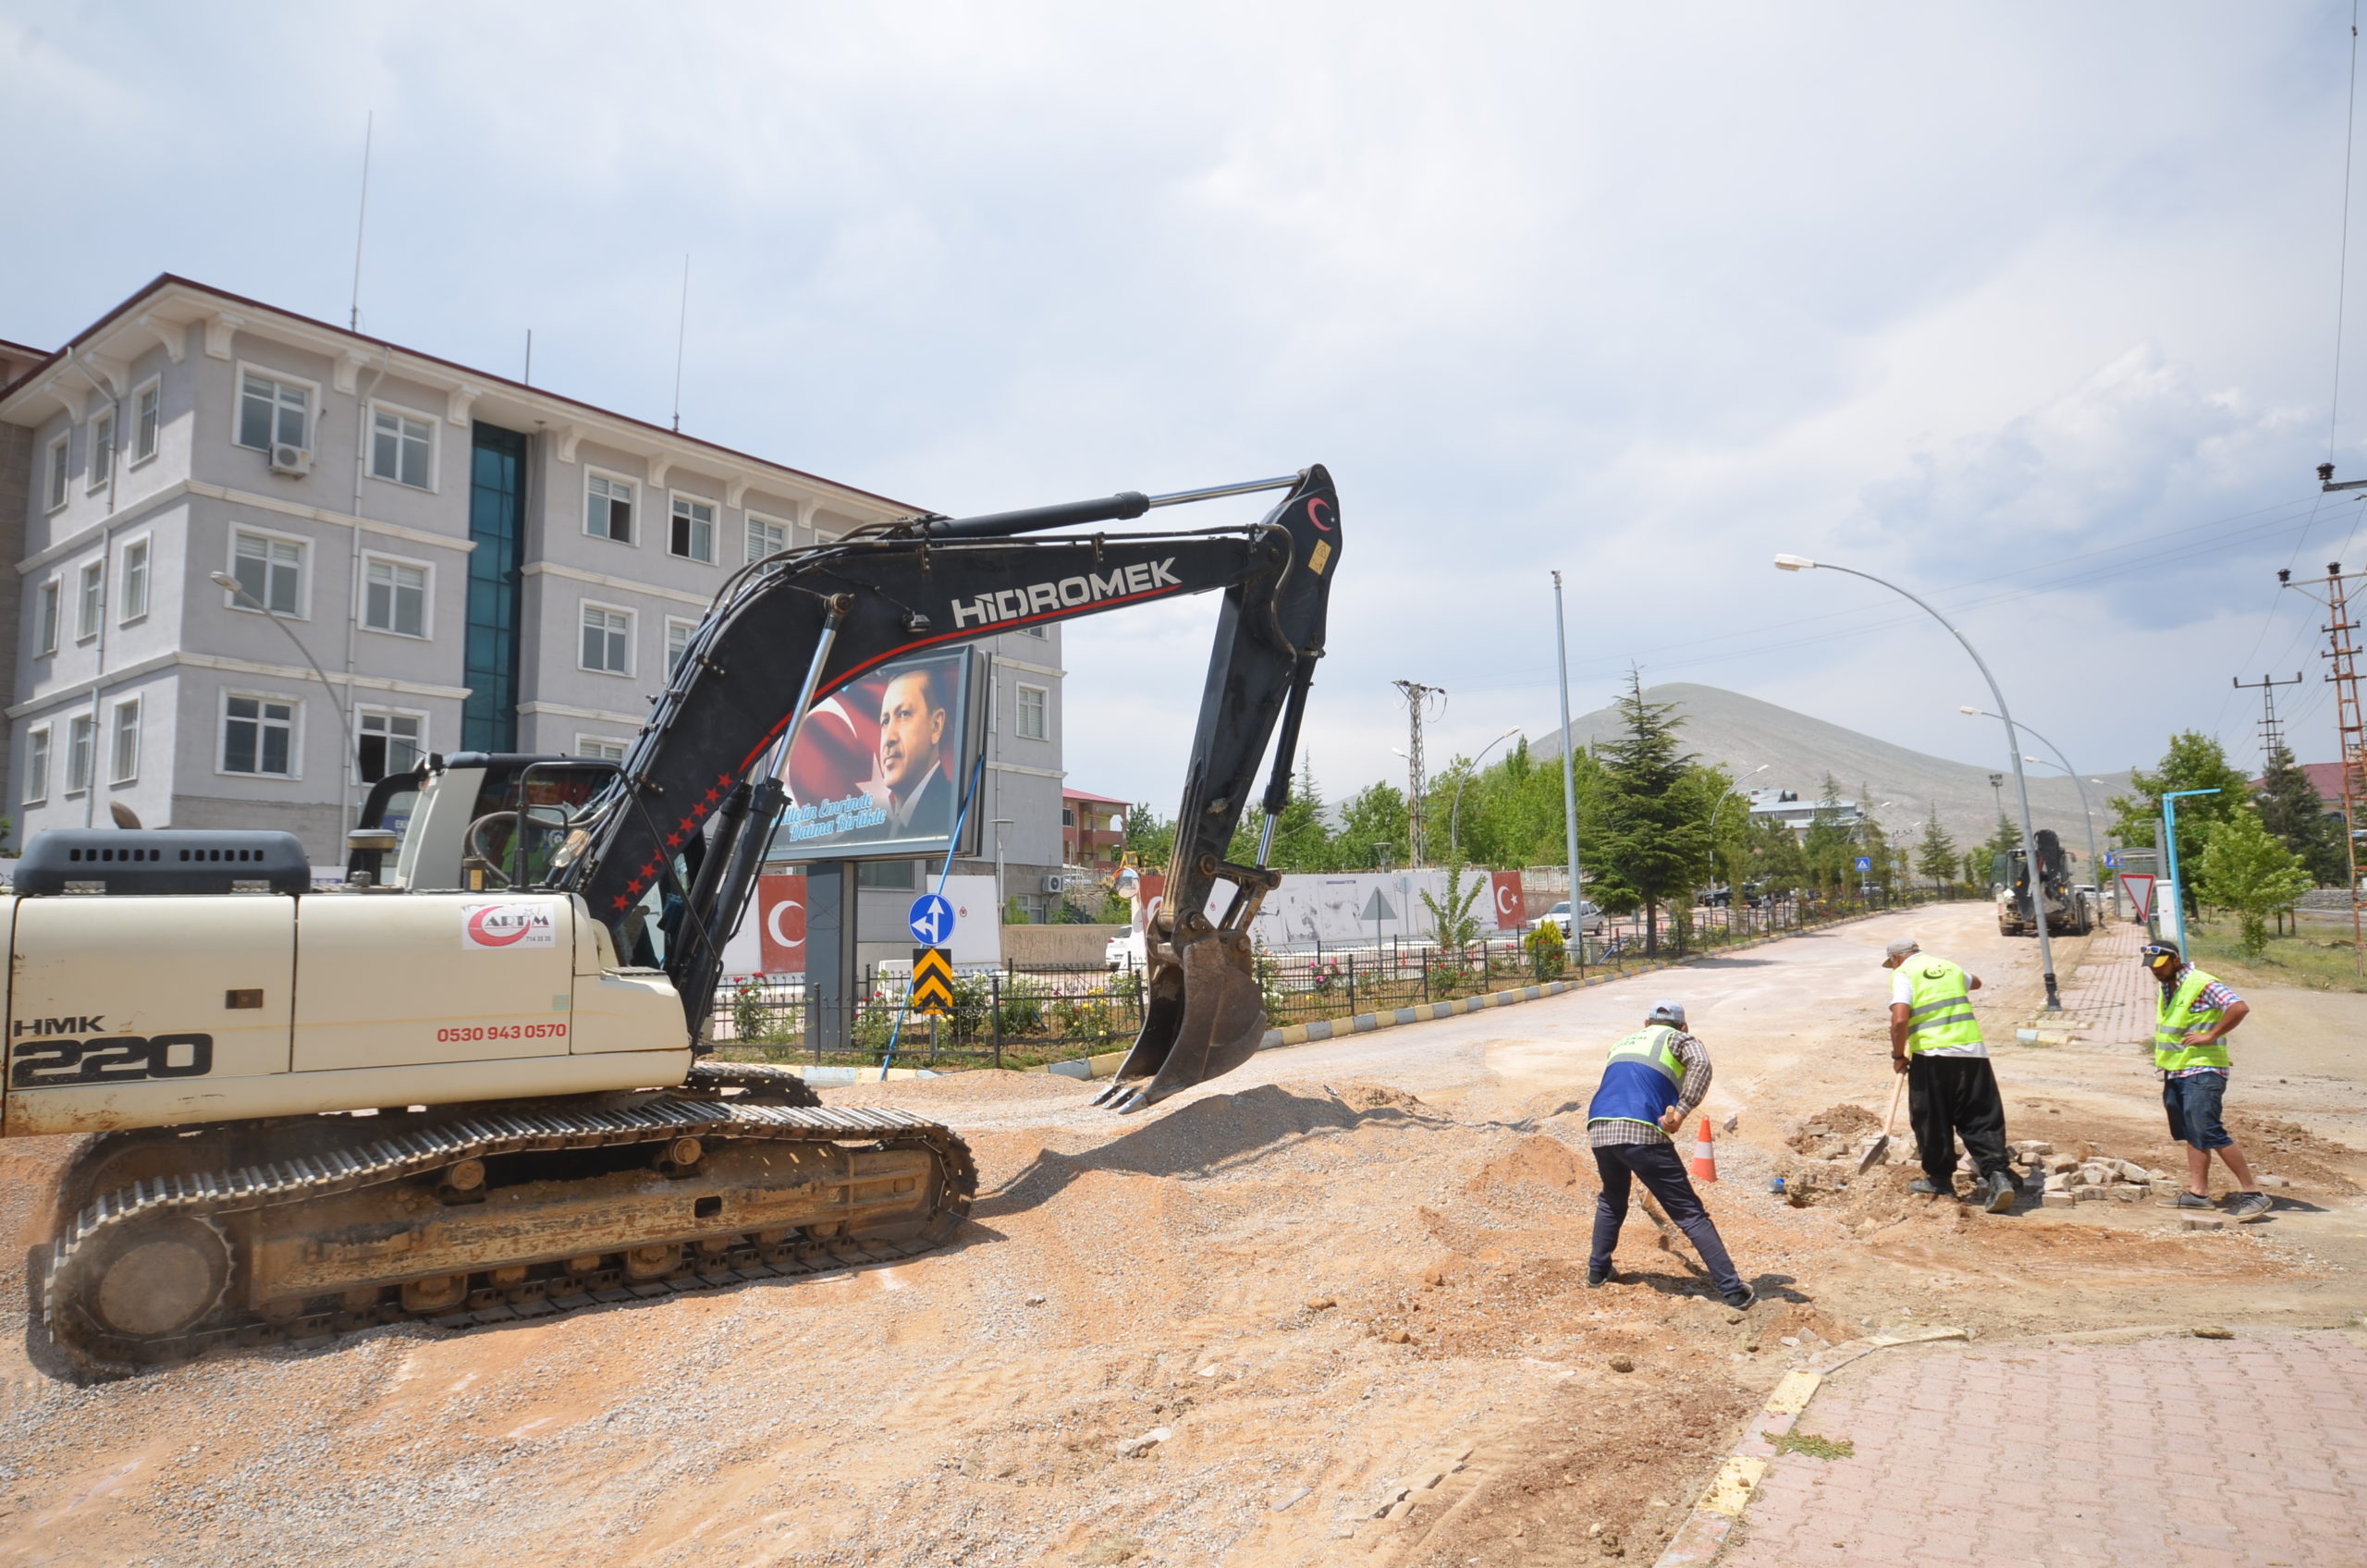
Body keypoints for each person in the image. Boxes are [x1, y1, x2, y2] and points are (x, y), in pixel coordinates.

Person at [1585, 1000, 1754, 1310]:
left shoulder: (1622, 1042)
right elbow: (1701, 1065)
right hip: (1641, 1128)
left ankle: (1597, 1271)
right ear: (1683, 1026)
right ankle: (1733, 1290)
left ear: (1646, 1024)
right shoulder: (1678, 1038)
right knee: (1688, 1212)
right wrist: (1683, 1111)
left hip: (1599, 1126)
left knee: (1612, 1199)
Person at [1884, 936, 2017, 1213]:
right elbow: (1976, 982)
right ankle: (1997, 1176)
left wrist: (1898, 1056)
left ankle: (1940, 1180)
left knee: (1931, 1118)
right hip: (1973, 1054)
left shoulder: (1904, 973)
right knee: (1981, 1116)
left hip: (1932, 1057)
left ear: (1896, 959)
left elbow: (1899, 1019)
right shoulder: (1950, 968)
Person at [2142, 940, 2272, 1221]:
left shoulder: (2201, 982)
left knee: (2209, 1130)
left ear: (2176, 960)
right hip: (2176, 1070)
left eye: (2161, 966)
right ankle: (2198, 1194)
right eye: (2152, 968)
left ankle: (2254, 1194)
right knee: (2192, 1132)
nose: (2156, 972)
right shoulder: (2167, 986)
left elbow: (2238, 1007)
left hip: (2202, 1070)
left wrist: (2211, 1035)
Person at [870, 665, 954, 838]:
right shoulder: (880, 830)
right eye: (885, 721)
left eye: (903, 714)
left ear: (936, 726)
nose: (889, 738)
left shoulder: (950, 809)